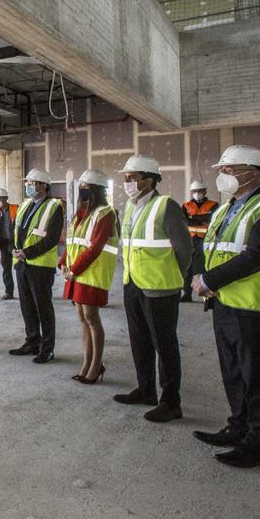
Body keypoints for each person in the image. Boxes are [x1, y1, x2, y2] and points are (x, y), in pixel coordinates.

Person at [191, 146, 260, 469]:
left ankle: (257, 443)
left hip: (257, 307)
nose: (224, 175)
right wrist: (204, 279)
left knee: (257, 376)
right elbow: (213, 247)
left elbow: (255, 256)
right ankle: (238, 427)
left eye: (230, 169)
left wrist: (209, 280)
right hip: (225, 303)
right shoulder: (226, 209)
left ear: (254, 172)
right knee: (233, 373)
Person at [113, 154, 192, 423]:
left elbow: (185, 249)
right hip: (132, 284)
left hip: (160, 288)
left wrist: (175, 277)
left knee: (164, 345)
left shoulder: (165, 206)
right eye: (126, 177)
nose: (127, 181)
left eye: (132, 177)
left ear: (150, 179)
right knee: (139, 341)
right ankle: (146, 389)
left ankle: (171, 401)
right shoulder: (130, 207)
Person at [60, 169, 117, 384]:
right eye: (81, 187)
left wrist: (74, 269)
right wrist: (63, 264)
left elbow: (95, 247)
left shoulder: (105, 213)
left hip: (91, 273)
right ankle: (87, 363)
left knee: (92, 317)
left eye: (86, 187)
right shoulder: (81, 212)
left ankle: (96, 365)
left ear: (96, 190)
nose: (82, 191)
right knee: (82, 318)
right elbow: (73, 242)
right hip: (76, 272)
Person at [9, 168, 64, 363]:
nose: (28, 186)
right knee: (27, 306)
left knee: (43, 308)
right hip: (22, 263)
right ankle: (32, 341)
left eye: (32, 183)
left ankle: (47, 348)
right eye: (28, 182)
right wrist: (15, 250)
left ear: (44, 186)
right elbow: (15, 229)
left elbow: (52, 239)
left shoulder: (54, 207)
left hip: (40, 266)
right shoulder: (24, 205)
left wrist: (28, 252)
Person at [182, 180, 218, 302]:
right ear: (191, 192)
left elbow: (212, 218)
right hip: (189, 239)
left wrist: (193, 217)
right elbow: (184, 221)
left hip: (205, 240)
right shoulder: (186, 205)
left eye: (200, 191)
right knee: (188, 267)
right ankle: (187, 294)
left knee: (203, 267)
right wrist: (202, 219)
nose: (198, 193)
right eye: (195, 191)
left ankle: (206, 296)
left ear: (205, 191)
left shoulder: (213, 205)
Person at [0, 188, 18, 300]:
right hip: (3, 242)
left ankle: (25, 290)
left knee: (19, 268)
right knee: (6, 268)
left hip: (16, 243)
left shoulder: (16, 208)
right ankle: (9, 292)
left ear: (6, 198)